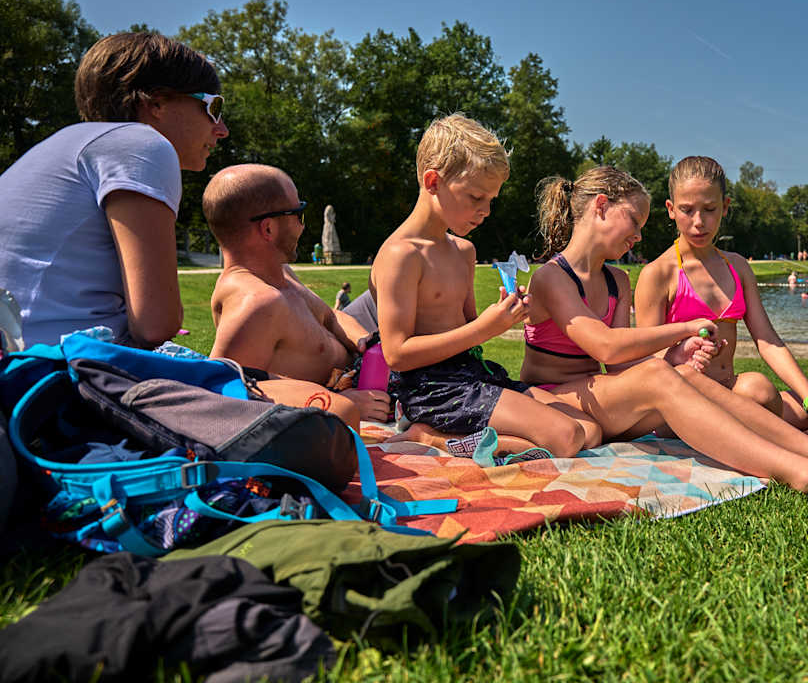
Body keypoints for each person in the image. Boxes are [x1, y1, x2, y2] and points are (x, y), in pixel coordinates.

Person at [522, 166, 808, 511]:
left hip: (599, 393)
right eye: (635, 221)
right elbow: (605, 345)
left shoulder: (617, 279)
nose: (640, 235)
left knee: (688, 378)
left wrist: (675, 358)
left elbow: (621, 367)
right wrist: (686, 329)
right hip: (552, 397)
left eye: (643, 224)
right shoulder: (551, 277)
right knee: (702, 383)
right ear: (601, 206)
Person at [370, 113, 600, 460]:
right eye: (476, 197)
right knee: (566, 437)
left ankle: (453, 435)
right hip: (433, 389)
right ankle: (433, 440)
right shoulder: (401, 255)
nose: (486, 211)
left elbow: (467, 329)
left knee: (591, 430)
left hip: (471, 374)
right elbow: (397, 354)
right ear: (433, 182)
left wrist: (504, 314)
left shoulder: (463, 251)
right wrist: (483, 328)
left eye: (491, 199)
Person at [0, 32, 229, 347]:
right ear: (157, 102)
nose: (222, 129)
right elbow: (155, 325)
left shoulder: (62, 145)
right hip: (56, 371)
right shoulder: (142, 144)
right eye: (213, 107)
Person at [635, 157, 808, 448]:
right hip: (685, 409)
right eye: (687, 210)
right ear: (671, 210)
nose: (699, 222)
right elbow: (645, 362)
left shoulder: (737, 267)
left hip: (737, 395)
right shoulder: (658, 275)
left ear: (725, 207)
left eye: (710, 210)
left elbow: (768, 341)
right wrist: (680, 355)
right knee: (757, 389)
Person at [202, 164, 391, 427]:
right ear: (268, 229)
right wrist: (340, 401)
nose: (303, 226)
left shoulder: (281, 271)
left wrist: (365, 342)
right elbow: (228, 392)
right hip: (343, 402)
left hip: (359, 376)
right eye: (298, 213)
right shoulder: (255, 304)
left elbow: (329, 316)